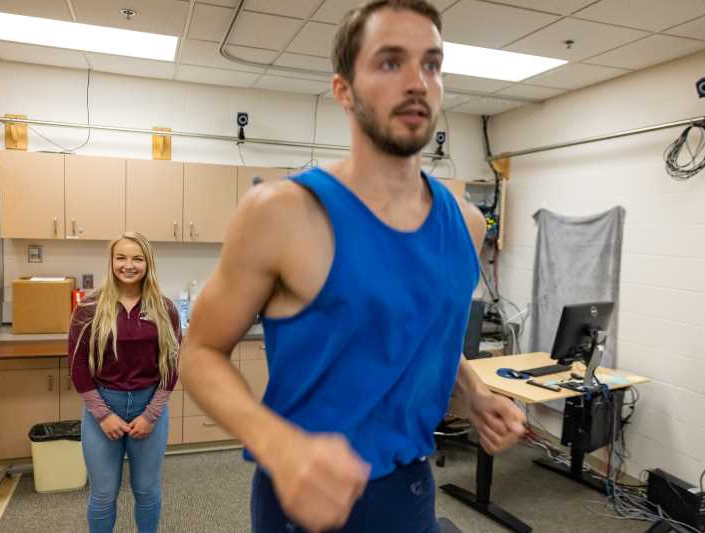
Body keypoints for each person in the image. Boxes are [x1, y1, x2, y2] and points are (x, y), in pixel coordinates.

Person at [180, 1, 526, 532]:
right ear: (343, 89)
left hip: (409, 490)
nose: (417, 82)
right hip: (303, 494)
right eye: (390, 62)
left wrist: (474, 393)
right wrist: (278, 444)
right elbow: (200, 353)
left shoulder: (466, 224)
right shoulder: (283, 213)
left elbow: (420, 334)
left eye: (431, 64)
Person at [69, 232, 181, 533]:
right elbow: (78, 367)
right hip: (103, 408)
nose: (128, 265)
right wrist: (103, 415)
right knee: (104, 493)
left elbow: (171, 366)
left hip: (149, 408)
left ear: (148, 263)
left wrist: (150, 415)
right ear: (111, 261)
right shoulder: (89, 308)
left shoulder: (164, 308)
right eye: (121, 257)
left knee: (146, 490)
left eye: (137, 258)